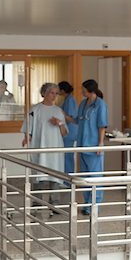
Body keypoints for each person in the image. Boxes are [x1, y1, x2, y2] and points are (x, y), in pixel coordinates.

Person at [21, 83, 68, 215]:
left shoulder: (58, 111)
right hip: (39, 146)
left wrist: (59, 124)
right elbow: (28, 128)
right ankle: (36, 202)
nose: (54, 96)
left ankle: (55, 203)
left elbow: (64, 132)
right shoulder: (35, 110)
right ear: (45, 93)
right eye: (52, 93)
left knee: (55, 174)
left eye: (56, 93)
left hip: (55, 148)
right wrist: (27, 138)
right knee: (38, 174)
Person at [76, 79, 108, 215]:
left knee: (95, 178)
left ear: (90, 91)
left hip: (94, 146)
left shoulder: (100, 105)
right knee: (85, 178)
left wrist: (100, 144)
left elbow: (102, 126)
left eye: (83, 90)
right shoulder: (83, 103)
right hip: (82, 146)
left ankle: (94, 206)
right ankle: (87, 205)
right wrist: (62, 118)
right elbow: (78, 120)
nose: (82, 92)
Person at [58, 81, 78, 182]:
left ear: (62, 90)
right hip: (68, 131)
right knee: (66, 155)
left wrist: (60, 113)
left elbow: (71, 118)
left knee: (67, 156)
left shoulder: (70, 100)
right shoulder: (67, 100)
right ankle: (66, 179)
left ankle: (68, 181)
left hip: (71, 132)